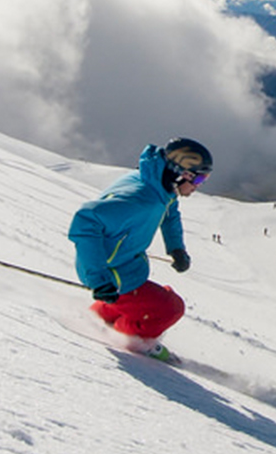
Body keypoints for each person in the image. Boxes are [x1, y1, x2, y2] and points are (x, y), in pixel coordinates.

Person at [68, 138, 210, 357]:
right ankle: (131, 339)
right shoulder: (142, 197)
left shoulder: (160, 185)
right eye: (199, 177)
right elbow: (85, 221)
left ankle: (99, 317)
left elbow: (170, 211)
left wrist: (176, 248)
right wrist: (98, 279)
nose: (199, 185)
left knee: (148, 296)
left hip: (123, 265)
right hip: (108, 271)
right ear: (180, 172)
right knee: (169, 308)